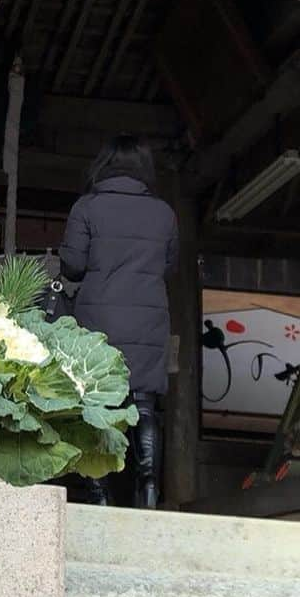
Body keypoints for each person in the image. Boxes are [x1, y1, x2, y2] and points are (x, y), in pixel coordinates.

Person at [59, 134, 179, 509]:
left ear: (103, 165)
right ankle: (148, 488)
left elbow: (72, 265)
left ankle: (98, 494)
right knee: (143, 404)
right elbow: (168, 266)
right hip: (149, 319)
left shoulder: (87, 208)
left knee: (93, 405)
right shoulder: (165, 214)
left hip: (98, 319)